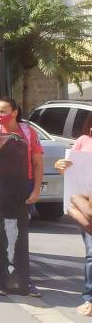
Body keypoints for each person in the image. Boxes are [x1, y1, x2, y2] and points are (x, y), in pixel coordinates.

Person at [0, 97, 43, 297]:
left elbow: (37, 163)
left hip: (22, 186)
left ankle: (24, 280)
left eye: (3, 111)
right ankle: (0, 280)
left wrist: (35, 190)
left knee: (20, 236)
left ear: (15, 111)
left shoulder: (28, 132)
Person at [54, 113, 92, 316]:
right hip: (87, 205)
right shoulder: (83, 141)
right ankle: (90, 299)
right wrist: (60, 166)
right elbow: (68, 169)